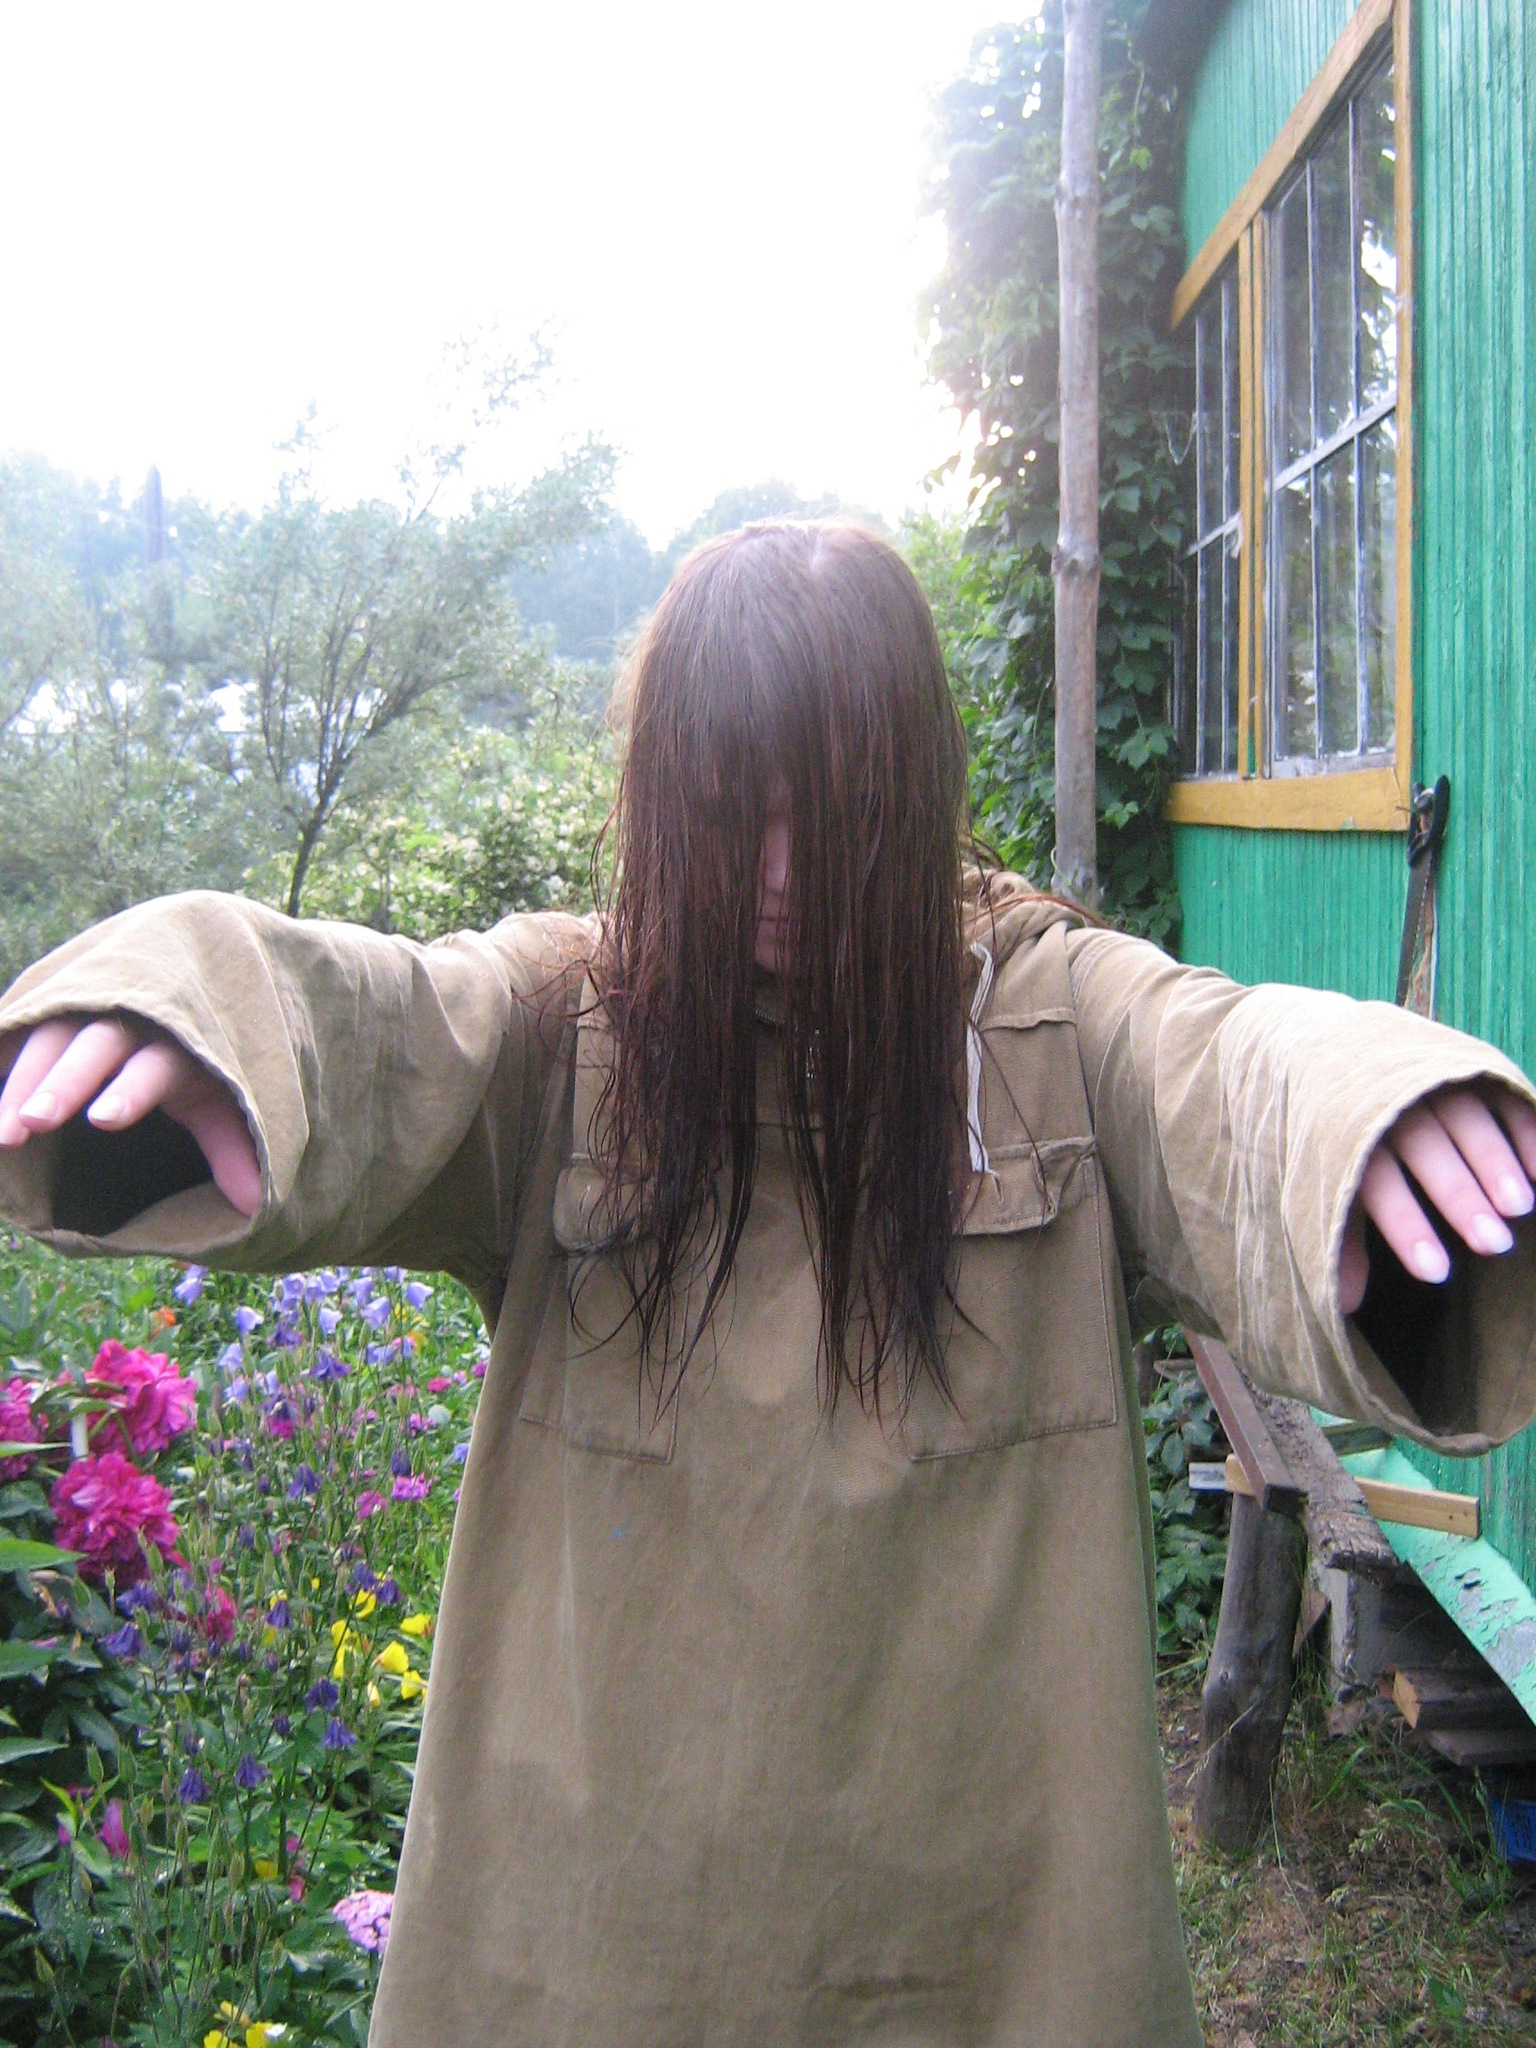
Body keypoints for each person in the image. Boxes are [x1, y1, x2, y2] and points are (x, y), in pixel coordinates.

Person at [2, 521, 1535, 2048]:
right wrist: (175, 1005)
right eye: (739, 813)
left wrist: (1380, 1115)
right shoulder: (572, 1032)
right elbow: (375, 1020)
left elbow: (1234, 1070)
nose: (785, 876)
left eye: (839, 811)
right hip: (601, 1933)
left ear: (913, 791)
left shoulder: (1049, 1027)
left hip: (983, 1929)